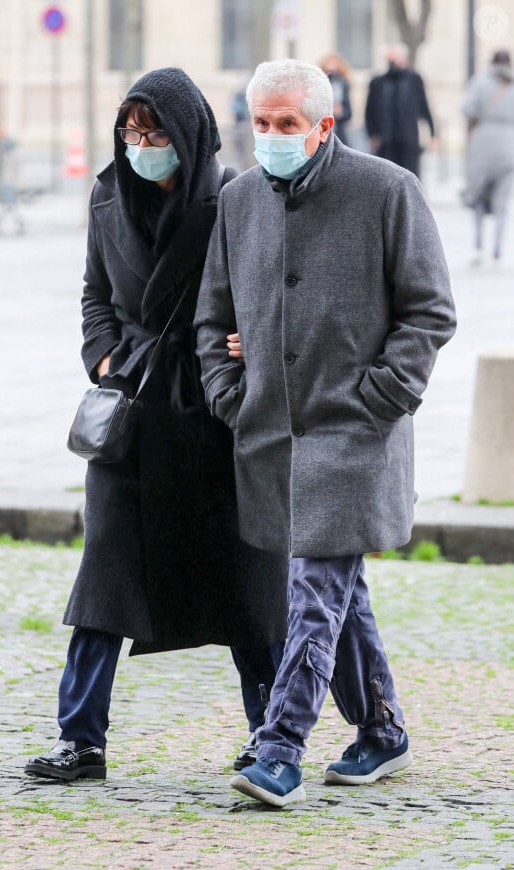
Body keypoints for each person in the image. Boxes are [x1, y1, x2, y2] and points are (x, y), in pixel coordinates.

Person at [195, 59, 456, 807]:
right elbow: (214, 318)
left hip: (355, 435)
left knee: (313, 591)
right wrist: (229, 394)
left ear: (324, 124)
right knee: (339, 590)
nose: (272, 137)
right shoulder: (238, 200)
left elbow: (430, 310)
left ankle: (281, 746)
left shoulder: (387, 191)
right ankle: (381, 730)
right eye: (262, 123)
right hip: (271, 435)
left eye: (288, 124)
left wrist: (381, 397)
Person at [24, 68, 288, 783]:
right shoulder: (108, 194)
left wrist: (246, 344)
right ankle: (81, 740)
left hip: (210, 414)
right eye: (132, 132)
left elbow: (267, 282)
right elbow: (94, 294)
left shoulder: (233, 197)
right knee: (105, 578)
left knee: (244, 582)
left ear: (189, 132)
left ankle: (272, 739)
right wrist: (104, 356)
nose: (142, 145)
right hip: (134, 412)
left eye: (156, 132)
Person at [462, 49, 514, 265]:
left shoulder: (480, 82)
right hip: (509, 145)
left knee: (478, 197)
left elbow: (467, 108)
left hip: (483, 143)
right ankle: (497, 250)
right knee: (502, 201)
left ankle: (478, 244)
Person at [365, 44, 435, 177]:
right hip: (385, 141)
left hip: (408, 140)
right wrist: (372, 133)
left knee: (410, 176)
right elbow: (370, 110)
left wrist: (432, 132)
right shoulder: (378, 82)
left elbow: (423, 105)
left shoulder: (414, 79)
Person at [320, 52, 352, 145]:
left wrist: (340, 112)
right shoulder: (319, 83)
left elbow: (348, 113)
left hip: (338, 131)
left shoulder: (343, 84)